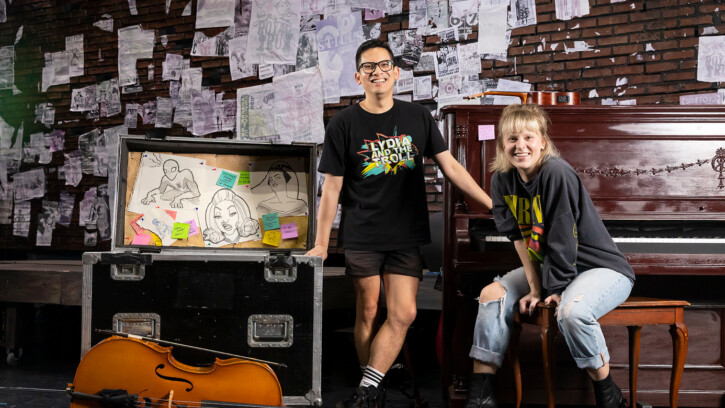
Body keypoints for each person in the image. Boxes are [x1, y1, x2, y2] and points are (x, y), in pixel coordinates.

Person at [306, 39, 492, 408]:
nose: (377, 72)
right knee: (369, 310)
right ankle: (372, 383)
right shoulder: (343, 124)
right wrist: (323, 243)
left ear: (396, 72)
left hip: (405, 234)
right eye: (369, 67)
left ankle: (366, 389)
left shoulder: (418, 117)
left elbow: (451, 166)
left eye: (384, 65)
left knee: (404, 312)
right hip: (363, 232)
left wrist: (492, 206)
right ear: (359, 76)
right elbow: (331, 191)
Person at [464, 104, 635, 408]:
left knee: (572, 312)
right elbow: (519, 240)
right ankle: (481, 398)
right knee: (491, 295)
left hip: (599, 268)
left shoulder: (555, 171)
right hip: (550, 266)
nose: (520, 146)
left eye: (529, 137)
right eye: (512, 139)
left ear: (543, 141)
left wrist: (554, 289)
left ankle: (610, 397)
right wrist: (534, 287)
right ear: (503, 144)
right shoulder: (501, 180)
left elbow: (561, 237)